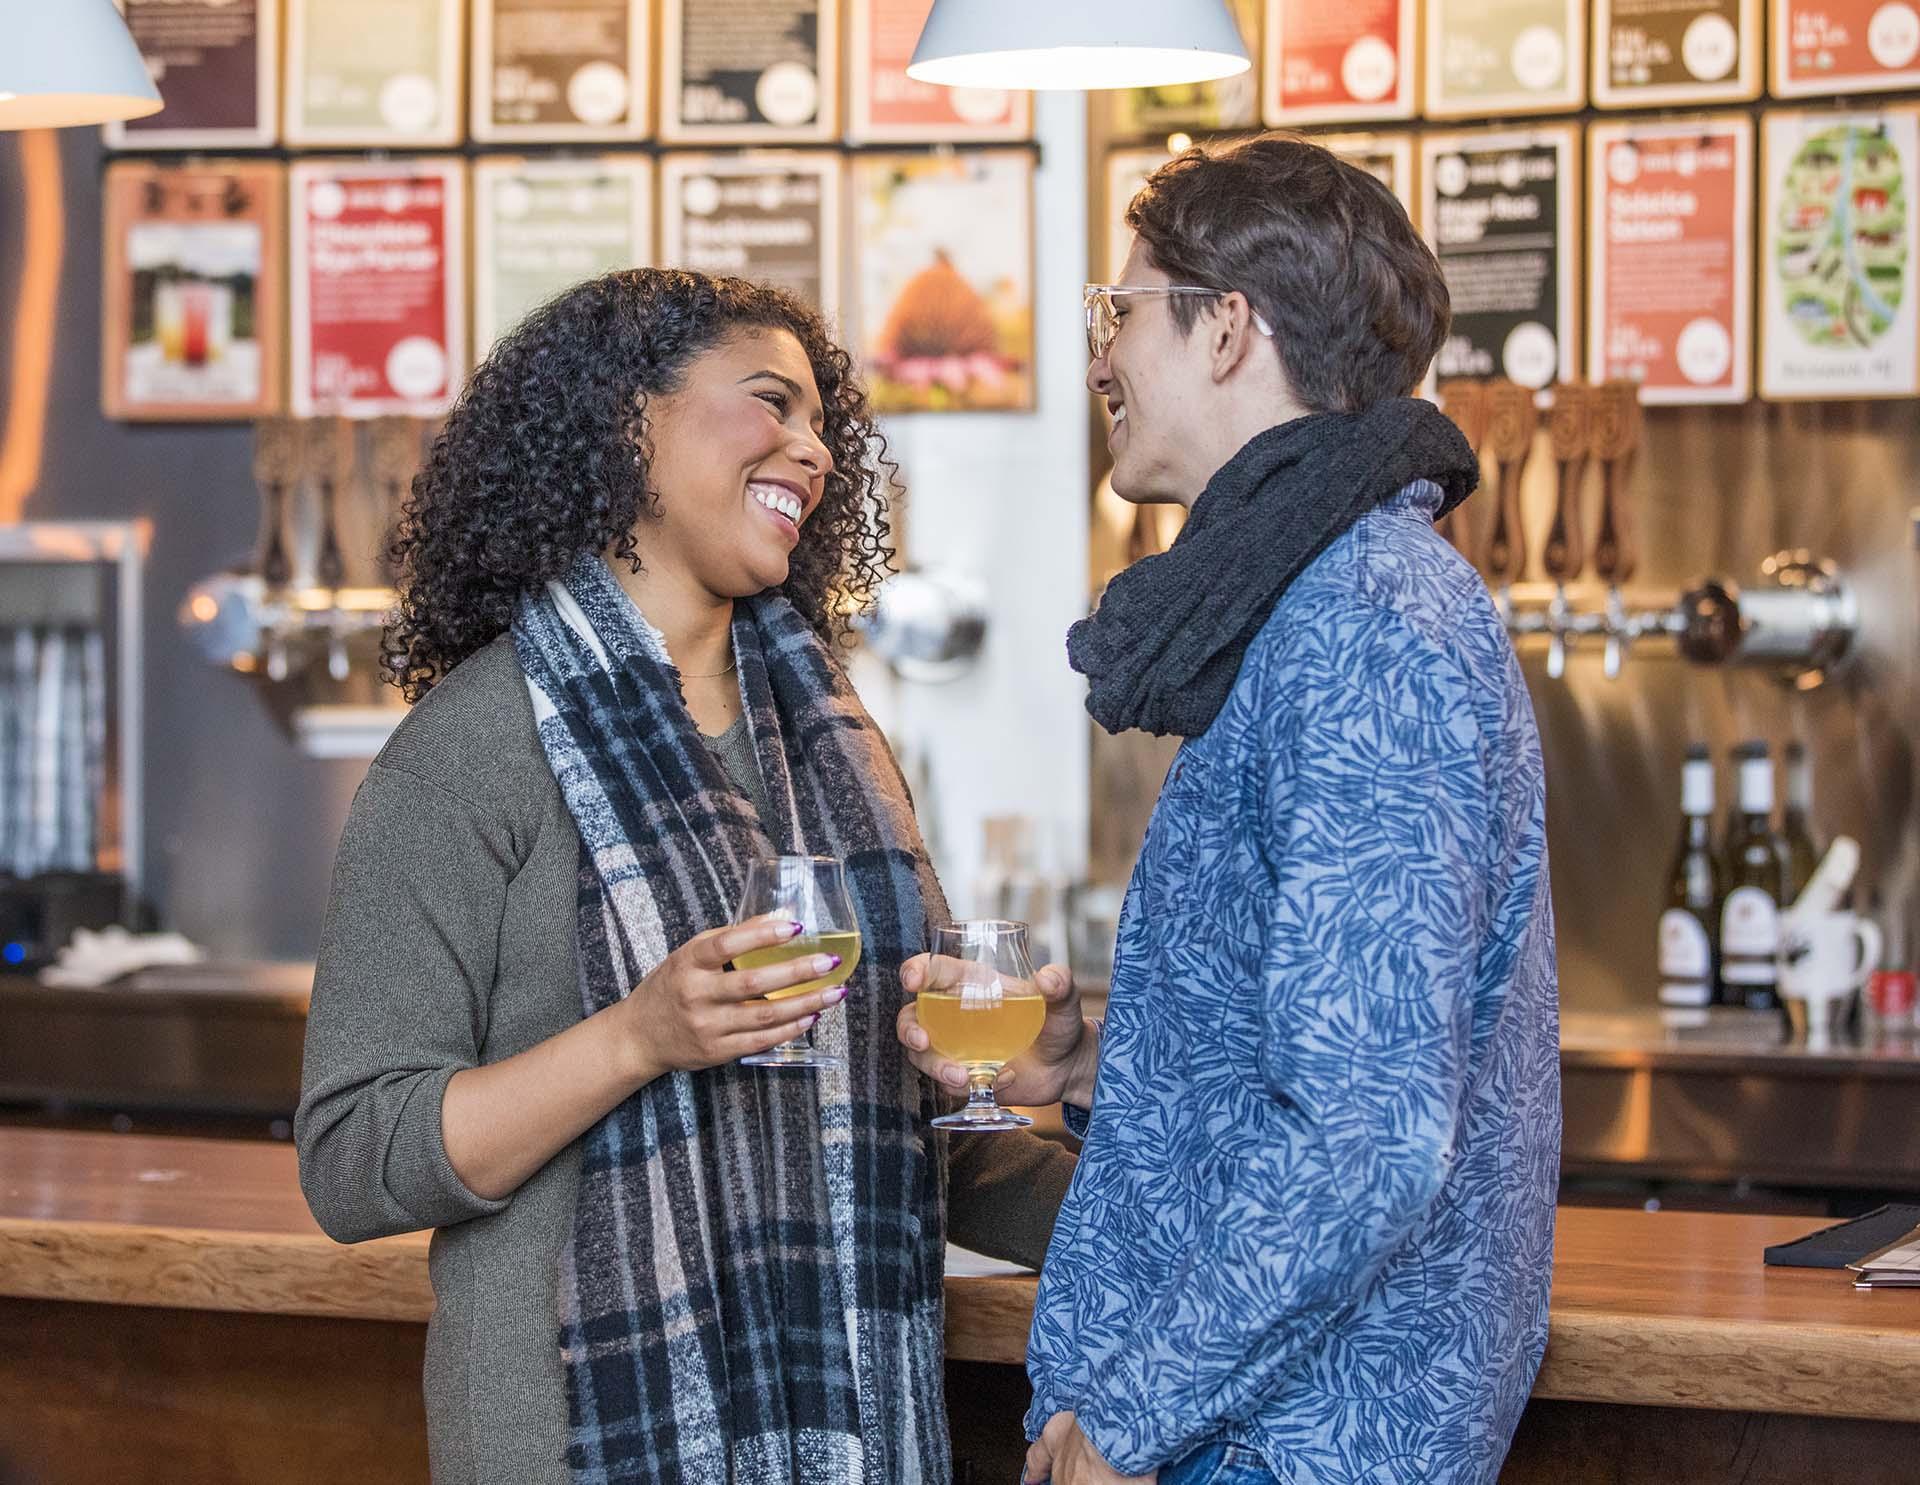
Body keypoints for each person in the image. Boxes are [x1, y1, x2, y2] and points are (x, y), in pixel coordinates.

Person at [296, 268, 1076, 1485]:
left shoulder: (838, 743)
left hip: (854, 1426)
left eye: (825, 424)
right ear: (627, 421)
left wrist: (1154, 1207)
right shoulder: (475, 744)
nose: (812, 450)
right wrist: (637, 1038)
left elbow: (913, 1137)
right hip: (568, 1441)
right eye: (771, 404)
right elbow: (352, 1158)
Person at [899, 135, 1560, 1485]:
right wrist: (1099, 1069)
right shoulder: (1304, 603)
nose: (1098, 361)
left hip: (1280, 1445)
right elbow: (1312, 1061)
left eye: (1118, 315)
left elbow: (1370, 1143)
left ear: (1226, 332)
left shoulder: (1369, 618)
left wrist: (1131, 1414)